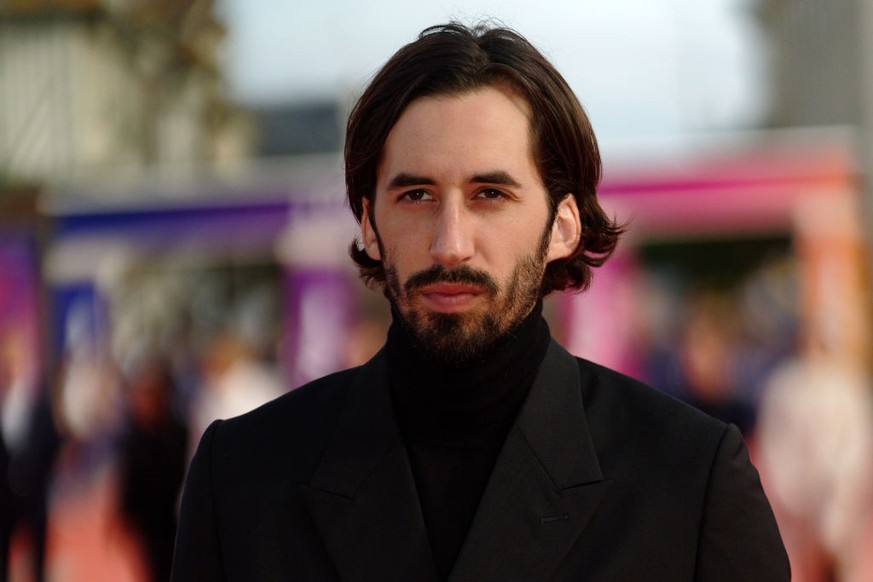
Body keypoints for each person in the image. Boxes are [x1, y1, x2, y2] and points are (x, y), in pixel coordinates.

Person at [171, 22, 789, 580]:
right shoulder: (244, 477)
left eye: (490, 193)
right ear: (367, 222)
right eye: (416, 195)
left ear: (563, 225)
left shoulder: (687, 479)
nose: (450, 245)